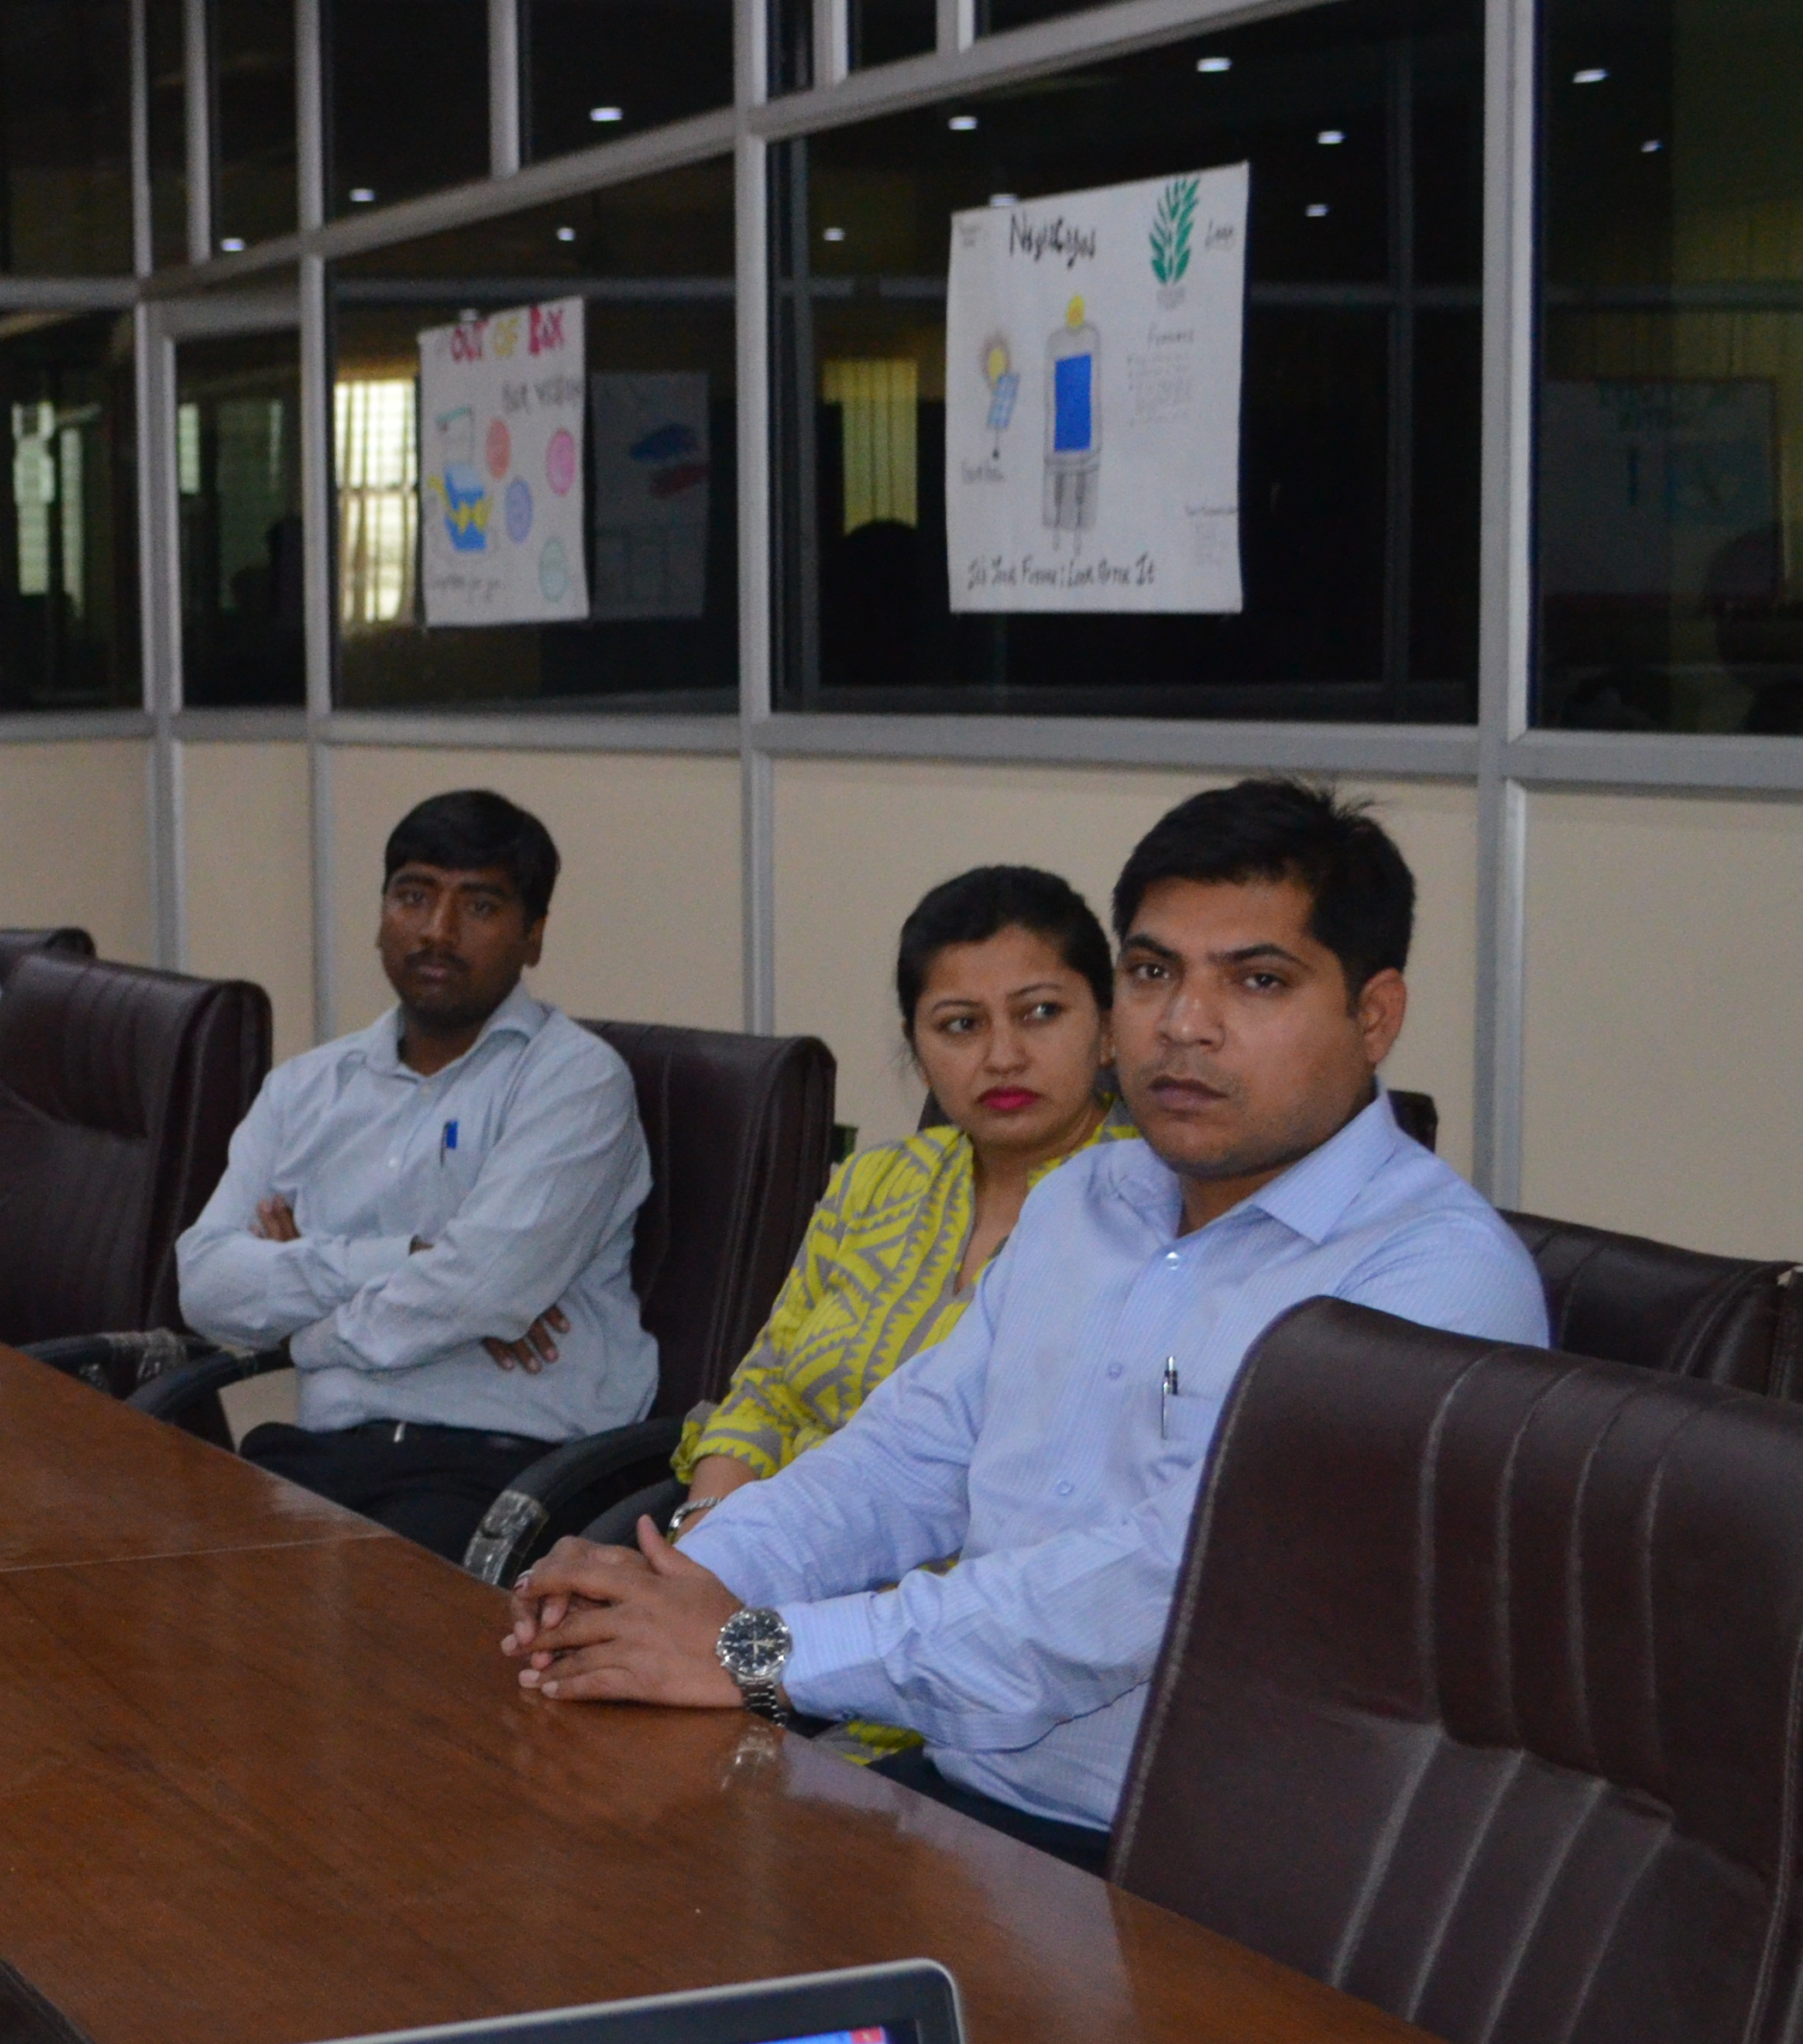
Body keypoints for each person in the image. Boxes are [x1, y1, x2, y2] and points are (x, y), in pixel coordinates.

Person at [505, 779, 1549, 1870]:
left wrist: (749, 1648)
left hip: (1205, 1873)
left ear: (1372, 1016)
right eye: (1151, 973)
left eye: (1256, 981)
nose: (1182, 1024)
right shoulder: (1084, 1202)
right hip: (962, 1798)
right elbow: (904, 1456)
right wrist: (671, 1587)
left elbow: (1149, 1588)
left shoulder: (1430, 1283)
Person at [173, 788, 655, 1561]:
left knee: (344, 1611)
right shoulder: (306, 1088)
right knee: (144, 1574)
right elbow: (204, 1284)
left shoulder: (574, 1080)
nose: (437, 930)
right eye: (413, 896)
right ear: (380, 916)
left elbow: (480, 1291)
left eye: (480, 906)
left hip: (504, 1472)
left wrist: (302, 1328)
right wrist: (404, 1260)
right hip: (324, 1454)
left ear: (534, 936)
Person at [660, 866, 1132, 1532]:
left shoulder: (1152, 1207)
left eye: (1041, 1013)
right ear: (918, 1054)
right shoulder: (875, 1182)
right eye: (961, 1025)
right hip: (770, 1544)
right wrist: (700, 1536)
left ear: (1109, 1028)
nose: (1003, 1056)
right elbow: (764, 1392)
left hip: (971, 1572)